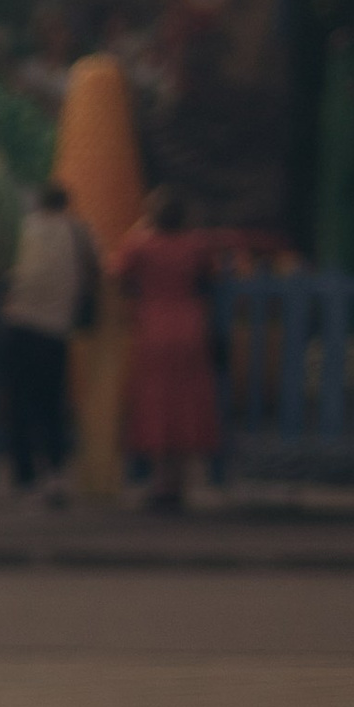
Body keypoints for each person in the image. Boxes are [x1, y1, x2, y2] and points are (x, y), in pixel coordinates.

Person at [117, 184, 220, 511]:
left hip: (153, 329)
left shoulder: (141, 245)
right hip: (190, 326)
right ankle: (180, 482)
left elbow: (117, 271)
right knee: (187, 402)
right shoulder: (196, 245)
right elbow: (212, 276)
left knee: (157, 404)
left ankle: (160, 483)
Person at [0, 178, 97, 500]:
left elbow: (6, 272)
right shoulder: (78, 231)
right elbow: (92, 274)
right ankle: (55, 471)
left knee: (19, 404)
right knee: (52, 404)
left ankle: (23, 474)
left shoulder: (23, 230)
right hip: (55, 329)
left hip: (19, 323)